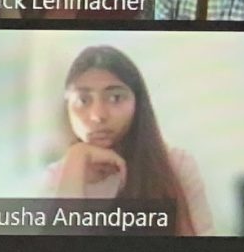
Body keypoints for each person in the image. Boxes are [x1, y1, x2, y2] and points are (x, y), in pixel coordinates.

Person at [40, 43, 210, 235]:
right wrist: (77, 157)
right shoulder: (56, 177)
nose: (98, 115)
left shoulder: (176, 164)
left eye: (115, 98)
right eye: (83, 100)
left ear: (138, 103)